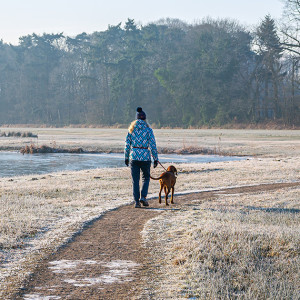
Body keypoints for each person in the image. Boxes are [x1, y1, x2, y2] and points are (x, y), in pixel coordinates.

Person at [125, 107, 158, 208]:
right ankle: (143, 197)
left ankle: (136, 202)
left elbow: (127, 144)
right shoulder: (149, 130)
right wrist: (155, 158)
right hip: (145, 157)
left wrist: (126, 157)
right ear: (145, 119)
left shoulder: (131, 130)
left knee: (135, 180)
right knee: (146, 178)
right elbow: (153, 145)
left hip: (134, 157)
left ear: (136, 119)